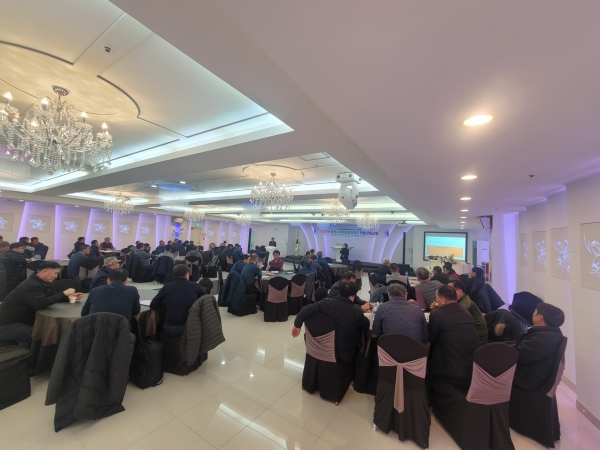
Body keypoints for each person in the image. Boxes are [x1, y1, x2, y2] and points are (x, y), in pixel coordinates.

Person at [0, 261, 81, 348]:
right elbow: (40, 303)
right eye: (55, 273)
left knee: (47, 330)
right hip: (7, 324)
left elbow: (52, 297)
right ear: (45, 271)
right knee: (33, 334)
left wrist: (69, 297)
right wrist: (64, 293)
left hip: (23, 320)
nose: (56, 276)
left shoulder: (43, 283)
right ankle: (24, 355)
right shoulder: (30, 285)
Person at [291, 281, 370, 363]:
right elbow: (366, 326)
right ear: (352, 297)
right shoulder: (356, 312)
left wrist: (297, 325)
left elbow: (305, 309)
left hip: (322, 347)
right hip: (344, 354)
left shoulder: (326, 302)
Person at [428, 285, 481, 390]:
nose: (436, 300)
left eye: (437, 297)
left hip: (449, 369)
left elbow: (431, 339)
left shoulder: (436, 315)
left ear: (443, 300)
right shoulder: (466, 312)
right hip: (471, 364)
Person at [513, 303, 565, 391]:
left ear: (540, 317)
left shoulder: (543, 338)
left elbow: (517, 356)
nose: (533, 313)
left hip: (527, 380)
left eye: (535, 311)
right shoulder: (553, 334)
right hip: (534, 375)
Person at [150, 264, 206, 335]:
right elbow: (207, 297)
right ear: (187, 275)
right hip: (190, 326)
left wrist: (166, 304)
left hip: (170, 327)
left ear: (174, 275)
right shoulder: (195, 286)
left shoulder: (167, 287)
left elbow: (153, 305)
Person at [447, 280, 488, 344]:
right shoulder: (462, 300)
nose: (446, 293)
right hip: (472, 335)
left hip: (478, 339)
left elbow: (451, 319)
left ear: (459, 291)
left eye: (449, 290)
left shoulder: (465, 305)